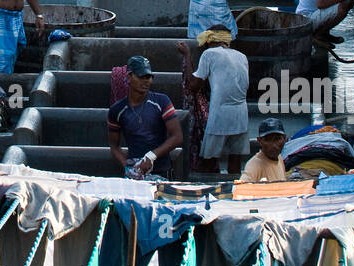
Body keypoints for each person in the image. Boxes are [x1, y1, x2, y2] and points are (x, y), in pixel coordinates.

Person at [178, 27, 249, 175]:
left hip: (220, 114)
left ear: (209, 42)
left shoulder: (209, 54)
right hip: (241, 114)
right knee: (235, 159)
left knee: (208, 160)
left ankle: (206, 191)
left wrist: (187, 55)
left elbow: (193, 85)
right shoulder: (242, 56)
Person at [108, 55, 184, 179]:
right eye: (141, 77)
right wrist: (127, 166)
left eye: (148, 77)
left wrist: (151, 156)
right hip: (135, 173)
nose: (146, 81)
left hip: (161, 170)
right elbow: (114, 145)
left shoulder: (161, 101)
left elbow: (177, 137)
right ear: (129, 77)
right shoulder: (117, 110)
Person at [241, 118, 288, 182]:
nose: (273, 145)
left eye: (277, 139)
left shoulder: (279, 158)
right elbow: (241, 188)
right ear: (259, 141)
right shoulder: (254, 165)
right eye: (268, 140)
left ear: (285, 139)